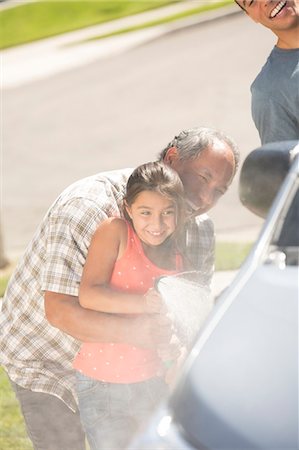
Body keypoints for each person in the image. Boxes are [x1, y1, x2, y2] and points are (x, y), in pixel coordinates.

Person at [0, 126, 239, 450]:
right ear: (172, 158)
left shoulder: (198, 233)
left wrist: (176, 354)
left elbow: (188, 318)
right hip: (46, 356)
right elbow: (59, 310)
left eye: (219, 190)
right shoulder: (89, 206)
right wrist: (140, 332)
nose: (206, 198)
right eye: (203, 177)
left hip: (126, 370)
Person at [74, 161, 189, 449]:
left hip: (152, 381)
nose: (157, 224)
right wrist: (144, 304)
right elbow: (89, 295)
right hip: (103, 384)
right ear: (128, 208)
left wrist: (172, 340)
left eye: (167, 213)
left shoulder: (175, 258)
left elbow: (169, 321)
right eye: (145, 213)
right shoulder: (116, 232)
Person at [235, 0, 299, 144]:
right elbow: (287, 165)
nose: (265, 1)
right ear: (251, 16)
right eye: (251, 2)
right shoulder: (269, 92)